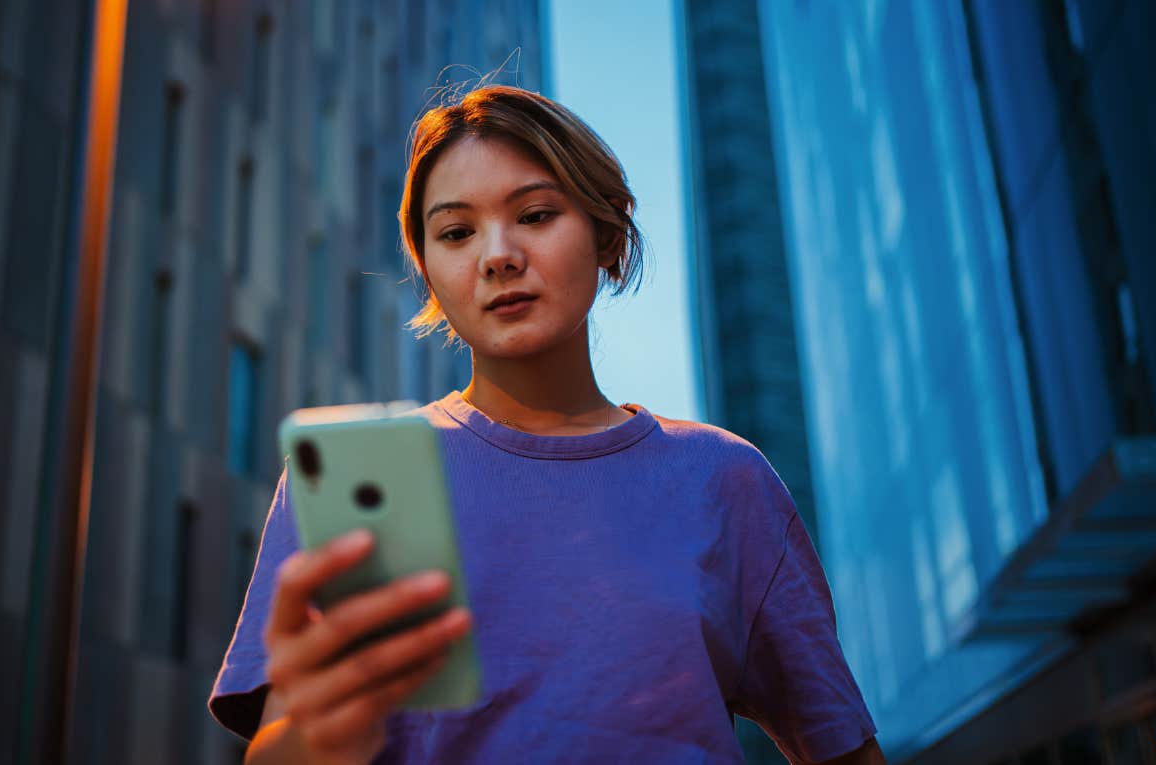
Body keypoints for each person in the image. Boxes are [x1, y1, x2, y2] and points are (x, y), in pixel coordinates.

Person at [209, 84, 884, 765]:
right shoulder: (354, 481)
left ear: (606, 233)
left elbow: (842, 747)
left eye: (534, 215)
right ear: (428, 269)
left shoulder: (724, 478)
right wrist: (316, 736)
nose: (497, 255)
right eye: (456, 233)